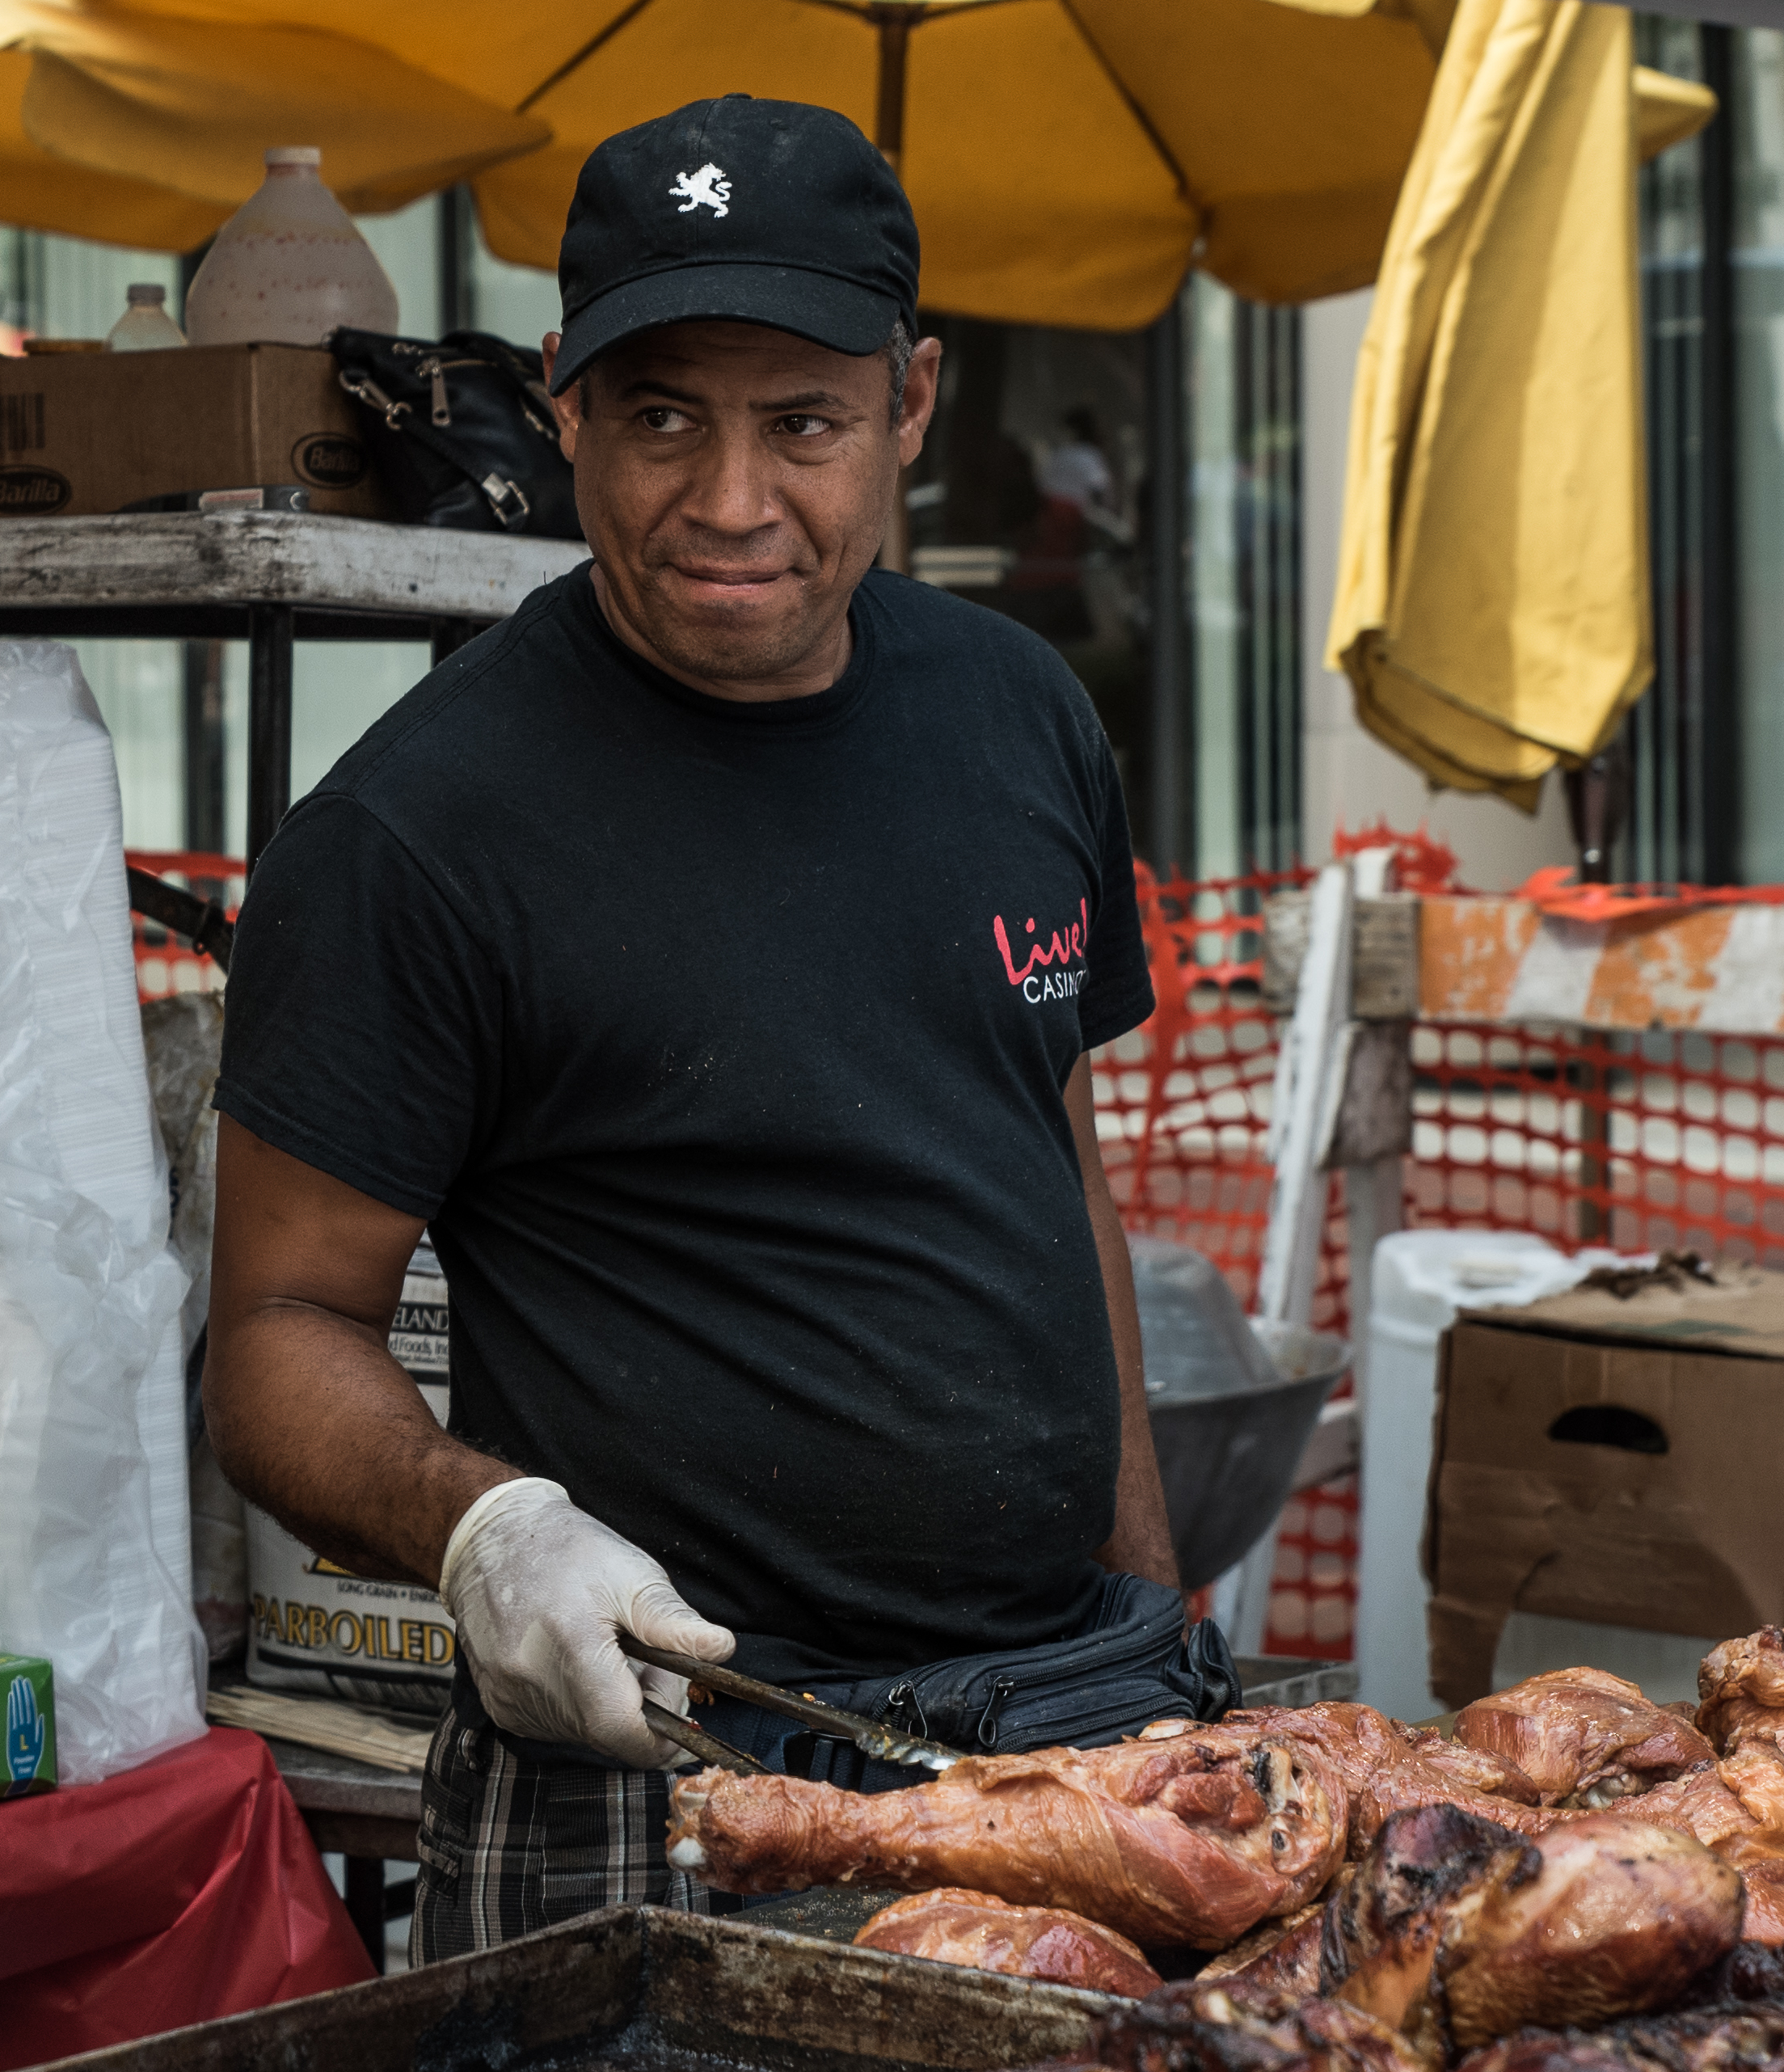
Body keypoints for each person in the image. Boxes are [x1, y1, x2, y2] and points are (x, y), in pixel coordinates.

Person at [203, 95, 1193, 1960]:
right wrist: (484, 1527)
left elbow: (1049, 1162)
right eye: (662, 417)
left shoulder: (1023, 713)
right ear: (565, 409)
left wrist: (1148, 1605)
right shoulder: (412, 834)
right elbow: (275, 1332)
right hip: (670, 1759)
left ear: (912, 406)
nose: (731, 502)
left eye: (802, 422)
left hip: (1076, 1718)